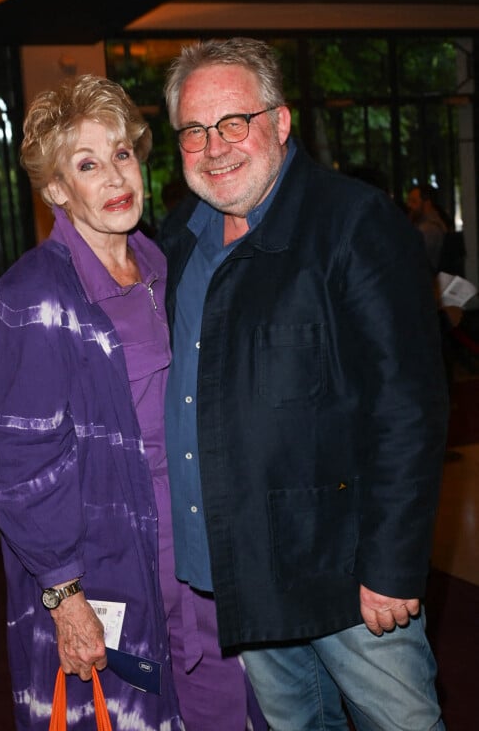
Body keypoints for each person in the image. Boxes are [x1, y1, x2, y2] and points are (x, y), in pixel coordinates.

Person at [160, 37, 449, 730]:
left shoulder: (355, 223)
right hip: (248, 568)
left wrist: (393, 564)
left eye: (235, 122)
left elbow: (408, 408)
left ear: (281, 123)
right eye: (194, 131)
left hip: (349, 575)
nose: (215, 146)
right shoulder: (177, 242)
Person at [0, 74, 264, 731]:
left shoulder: (161, 266)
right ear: (56, 189)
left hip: (196, 551)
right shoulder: (34, 293)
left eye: (122, 153)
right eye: (87, 164)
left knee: (228, 711)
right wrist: (64, 590)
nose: (114, 176)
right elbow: (23, 461)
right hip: (105, 566)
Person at [406, 183, 448, 273]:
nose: (409, 205)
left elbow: (411, 259)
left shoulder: (428, 229)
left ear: (427, 204)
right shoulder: (432, 224)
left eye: (413, 201)